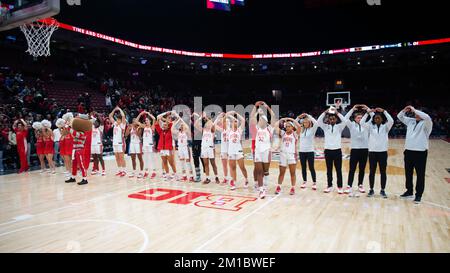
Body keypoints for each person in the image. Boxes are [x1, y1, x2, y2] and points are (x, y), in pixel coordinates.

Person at [397, 106, 433, 204]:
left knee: (420, 174)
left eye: (418, 113)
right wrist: (405, 110)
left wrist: (414, 109)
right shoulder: (411, 121)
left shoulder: (427, 123)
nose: (416, 114)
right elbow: (399, 116)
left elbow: (427, 117)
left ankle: (418, 195)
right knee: (408, 173)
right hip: (408, 151)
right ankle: (409, 191)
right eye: (415, 113)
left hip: (420, 152)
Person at [361, 107, 394, 198]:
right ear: (374, 119)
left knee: (383, 172)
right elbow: (361, 122)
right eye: (375, 118)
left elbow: (391, 120)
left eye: (379, 118)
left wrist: (384, 111)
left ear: (382, 119)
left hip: (383, 153)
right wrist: (367, 113)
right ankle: (371, 189)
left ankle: (382, 190)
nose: (377, 119)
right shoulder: (370, 127)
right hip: (372, 153)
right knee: (372, 172)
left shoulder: (386, 127)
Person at [250, 101, 277, 199]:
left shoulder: (270, 128)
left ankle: (265, 187)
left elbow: (273, 116)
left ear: (265, 121)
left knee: (266, 171)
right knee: (259, 171)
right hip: (258, 152)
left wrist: (268, 107)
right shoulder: (256, 128)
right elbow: (252, 117)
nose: (259, 121)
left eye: (261, 120)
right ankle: (261, 190)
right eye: (259, 120)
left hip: (267, 152)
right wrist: (255, 106)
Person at [317, 106, 347, 194]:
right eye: (330, 119)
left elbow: (345, 121)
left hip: (337, 151)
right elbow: (319, 121)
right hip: (328, 151)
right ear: (329, 120)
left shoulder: (339, 127)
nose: (332, 120)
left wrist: (337, 113)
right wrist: (325, 112)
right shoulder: (325, 127)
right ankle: (329, 186)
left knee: (338, 170)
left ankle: (340, 187)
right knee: (329, 170)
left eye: (334, 119)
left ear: (336, 120)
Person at [343, 104, 370, 194]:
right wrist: (352, 109)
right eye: (358, 117)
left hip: (364, 150)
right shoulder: (351, 125)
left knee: (362, 169)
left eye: (361, 117)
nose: (360, 119)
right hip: (354, 150)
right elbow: (345, 118)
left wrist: (368, 110)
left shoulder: (366, 125)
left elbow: (373, 117)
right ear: (354, 118)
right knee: (352, 169)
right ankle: (349, 185)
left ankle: (360, 185)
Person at [274, 117, 301, 195]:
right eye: (286, 126)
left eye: (289, 126)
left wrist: (291, 120)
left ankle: (293, 188)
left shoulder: (295, 134)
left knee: (292, 173)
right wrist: (282, 119)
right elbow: (275, 126)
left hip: (292, 155)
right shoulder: (283, 133)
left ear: (292, 127)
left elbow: (299, 127)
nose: (287, 128)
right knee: (281, 172)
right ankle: (279, 186)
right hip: (283, 155)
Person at [226, 111, 249, 190]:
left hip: (238, 150)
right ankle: (234, 182)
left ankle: (246, 180)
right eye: (233, 122)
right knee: (232, 167)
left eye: (236, 122)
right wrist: (228, 114)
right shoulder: (229, 131)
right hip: (231, 151)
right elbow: (224, 120)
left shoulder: (240, 130)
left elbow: (243, 120)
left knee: (242, 167)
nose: (234, 122)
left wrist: (236, 113)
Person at [194, 112, 219, 184]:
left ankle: (216, 177)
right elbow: (196, 124)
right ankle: (207, 178)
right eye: (206, 123)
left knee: (213, 163)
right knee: (206, 164)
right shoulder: (203, 130)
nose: (206, 124)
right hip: (204, 148)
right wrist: (200, 117)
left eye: (207, 122)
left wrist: (207, 118)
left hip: (210, 148)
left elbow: (212, 124)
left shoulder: (212, 130)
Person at [65, 115, 89, 185]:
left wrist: (69, 128)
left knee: (81, 165)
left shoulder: (83, 133)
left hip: (79, 150)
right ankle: (73, 177)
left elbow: (75, 133)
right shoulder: (78, 132)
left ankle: (85, 179)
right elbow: (73, 134)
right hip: (75, 150)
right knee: (74, 165)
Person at [297, 113, 318, 190]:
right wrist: (299, 117)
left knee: (311, 167)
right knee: (303, 167)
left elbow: (316, 123)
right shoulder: (300, 130)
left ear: (309, 123)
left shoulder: (312, 130)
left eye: (307, 122)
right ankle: (304, 181)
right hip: (302, 151)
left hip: (310, 151)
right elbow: (294, 123)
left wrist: (309, 116)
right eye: (304, 122)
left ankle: (314, 182)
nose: (305, 123)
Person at [172, 112, 194, 182]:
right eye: (180, 126)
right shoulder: (178, 132)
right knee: (182, 162)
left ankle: (191, 176)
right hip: (180, 148)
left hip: (185, 148)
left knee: (188, 161)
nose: (181, 126)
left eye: (182, 125)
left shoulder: (186, 131)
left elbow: (186, 126)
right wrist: (178, 120)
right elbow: (172, 129)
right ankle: (184, 176)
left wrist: (181, 120)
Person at [155, 111, 177, 181]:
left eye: (165, 125)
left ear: (168, 126)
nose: (163, 126)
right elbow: (158, 117)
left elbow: (172, 122)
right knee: (164, 162)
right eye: (163, 125)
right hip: (162, 149)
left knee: (171, 163)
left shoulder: (170, 130)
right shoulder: (160, 131)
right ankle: (167, 175)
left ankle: (175, 175)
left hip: (168, 149)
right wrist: (166, 113)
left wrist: (171, 115)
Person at [136, 111, 157, 179]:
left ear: (150, 121)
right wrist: (140, 114)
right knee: (146, 159)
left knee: (152, 159)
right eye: (145, 120)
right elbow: (136, 121)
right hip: (145, 145)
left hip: (150, 145)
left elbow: (154, 119)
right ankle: (146, 172)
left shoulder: (152, 127)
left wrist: (148, 113)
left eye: (147, 120)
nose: (146, 121)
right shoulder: (144, 126)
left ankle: (154, 172)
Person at [109, 106, 127, 177]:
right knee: (117, 158)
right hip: (114, 143)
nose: (117, 121)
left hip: (120, 143)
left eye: (118, 120)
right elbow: (110, 116)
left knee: (121, 157)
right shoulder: (115, 124)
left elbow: (123, 116)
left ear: (120, 120)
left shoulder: (122, 125)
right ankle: (120, 170)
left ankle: (124, 171)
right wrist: (114, 109)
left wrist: (119, 109)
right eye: (116, 120)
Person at [215, 113, 230, 184]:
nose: (224, 123)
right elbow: (214, 125)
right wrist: (218, 117)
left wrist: (228, 115)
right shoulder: (222, 130)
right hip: (224, 150)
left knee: (232, 165)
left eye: (226, 122)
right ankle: (226, 178)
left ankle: (233, 179)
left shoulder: (231, 130)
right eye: (224, 122)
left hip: (230, 150)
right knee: (224, 165)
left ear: (228, 123)